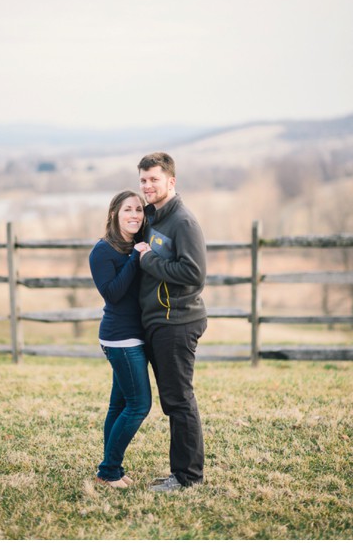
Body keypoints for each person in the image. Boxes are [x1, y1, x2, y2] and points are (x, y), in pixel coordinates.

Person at [135, 152, 207, 492]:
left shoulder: (183, 222)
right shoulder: (153, 216)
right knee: (172, 399)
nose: (148, 186)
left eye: (154, 179)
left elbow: (194, 274)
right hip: (157, 320)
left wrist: (149, 260)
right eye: (144, 180)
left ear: (171, 181)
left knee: (179, 399)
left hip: (177, 320)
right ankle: (180, 472)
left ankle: (187, 477)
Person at [89, 191, 153, 489]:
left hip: (135, 336)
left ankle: (111, 467)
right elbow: (113, 294)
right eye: (128, 209)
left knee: (119, 405)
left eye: (139, 210)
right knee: (139, 404)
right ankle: (108, 470)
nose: (135, 215)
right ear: (114, 213)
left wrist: (139, 254)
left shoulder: (136, 247)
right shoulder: (102, 251)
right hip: (120, 338)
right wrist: (135, 259)